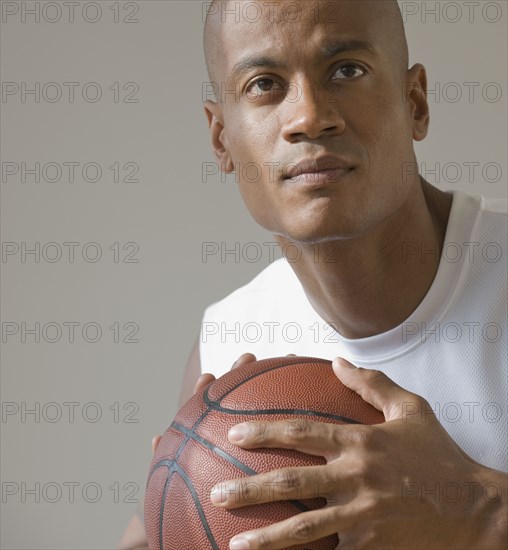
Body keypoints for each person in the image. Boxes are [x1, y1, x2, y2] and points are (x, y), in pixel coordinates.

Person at [118, 0, 507, 548]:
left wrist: (479, 510)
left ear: (415, 101)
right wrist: (175, 511)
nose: (309, 116)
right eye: (263, 84)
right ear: (220, 137)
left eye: (346, 70)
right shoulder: (228, 342)